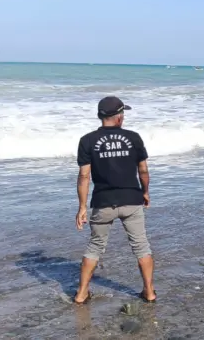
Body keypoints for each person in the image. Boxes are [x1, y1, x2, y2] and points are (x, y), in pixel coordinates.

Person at [74, 96, 156, 304]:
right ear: (119, 117)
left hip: (103, 202)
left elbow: (84, 176)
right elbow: (143, 170)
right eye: (123, 113)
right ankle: (149, 292)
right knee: (141, 246)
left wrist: (82, 207)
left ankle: (81, 294)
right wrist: (145, 192)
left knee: (95, 246)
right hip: (131, 200)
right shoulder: (134, 138)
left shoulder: (87, 140)